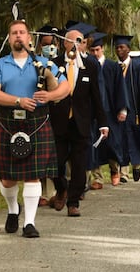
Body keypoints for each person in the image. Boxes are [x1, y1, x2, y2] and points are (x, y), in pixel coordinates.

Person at [0, 20, 70, 238]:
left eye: (22, 32)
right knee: (7, 178)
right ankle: (13, 209)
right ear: (9, 38)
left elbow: (66, 87)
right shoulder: (0, 65)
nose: (18, 36)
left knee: (33, 175)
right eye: (14, 33)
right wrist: (18, 101)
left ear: (29, 38)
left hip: (37, 122)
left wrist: (50, 96)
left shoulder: (43, 63)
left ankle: (29, 223)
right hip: (8, 122)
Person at [49, 24, 109, 217]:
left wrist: (103, 123)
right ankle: (61, 188)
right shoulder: (54, 63)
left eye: (80, 42)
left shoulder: (90, 65)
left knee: (79, 164)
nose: (76, 45)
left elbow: (97, 96)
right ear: (64, 43)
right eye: (72, 41)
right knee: (54, 163)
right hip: (59, 121)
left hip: (81, 122)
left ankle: (73, 202)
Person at [88, 33, 129, 186]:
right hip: (93, 112)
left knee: (112, 143)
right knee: (94, 144)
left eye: (97, 50)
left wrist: (122, 109)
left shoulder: (112, 67)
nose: (95, 53)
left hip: (111, 112)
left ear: (103, 49)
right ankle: (97, 178)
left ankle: (114, 169)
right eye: (92, 50)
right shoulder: (87, 66)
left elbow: (120, 89)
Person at [114, 34, 140, 182]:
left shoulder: (137, 67)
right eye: (117, 47)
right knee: (121, 141)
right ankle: (123, 172)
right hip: (119, 112)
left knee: (136, 139)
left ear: (128, 49)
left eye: (122, 47)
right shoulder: (114, 67)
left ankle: (136, 166)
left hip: (135, 111)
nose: (119, 50)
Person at [34, 24, 60, 206]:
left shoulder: (64, 61)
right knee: (41, 155)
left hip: (60, 113)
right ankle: (42, 193)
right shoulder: (34, 62)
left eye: (52, 44)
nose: (49, 47)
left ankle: (55, 190)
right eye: (45, 43)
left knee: (56, 155)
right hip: (40, 114)